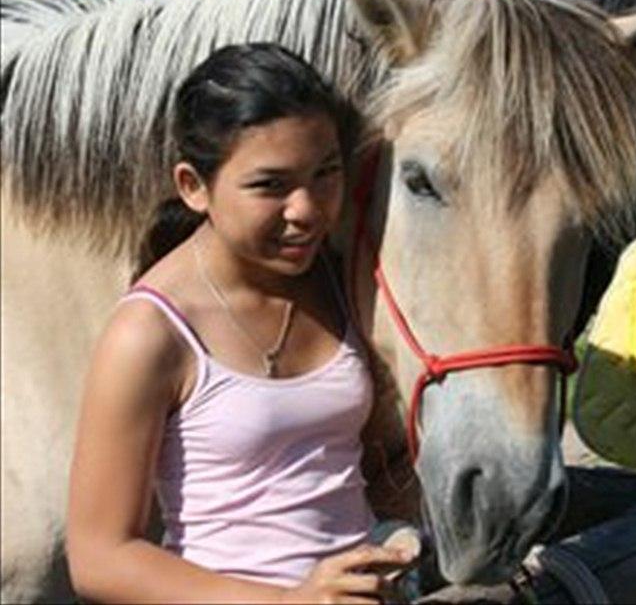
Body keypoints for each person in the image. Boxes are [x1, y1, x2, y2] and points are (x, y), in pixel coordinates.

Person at [66, 43, 417, 604]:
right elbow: (100, 557)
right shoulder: (150, 333)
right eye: (270, 186)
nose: (306, 209)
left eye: (325, 173)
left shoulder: (340, 279)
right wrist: (286, 602)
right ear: (193, 186)